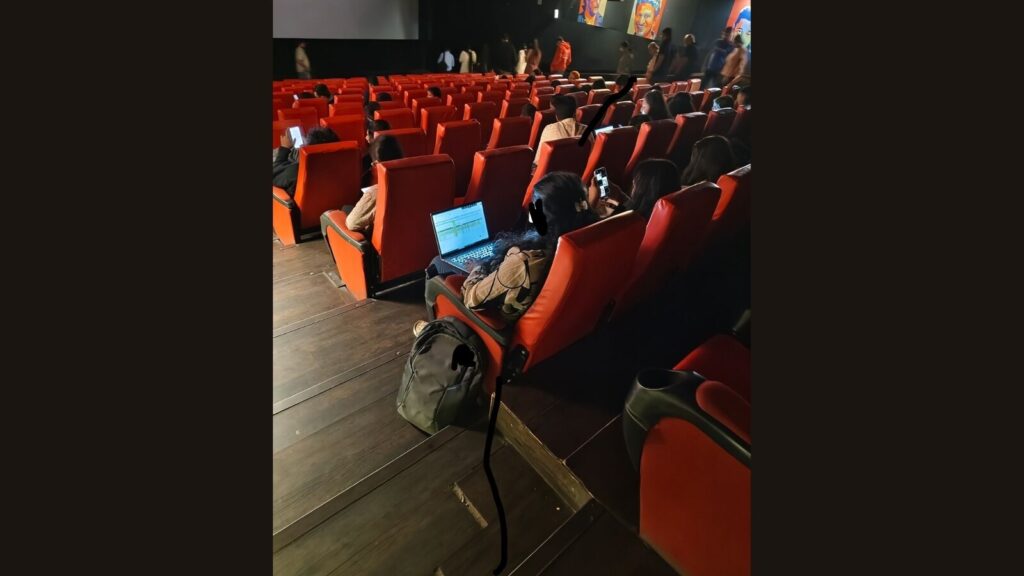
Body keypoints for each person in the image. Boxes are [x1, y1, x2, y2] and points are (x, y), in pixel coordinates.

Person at [414, 171, 599, 335]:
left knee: (437, 263)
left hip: (496, 325)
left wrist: (477, 269)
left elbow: (471, 298)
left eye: (534, 204)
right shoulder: (584, 239)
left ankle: (434, 331)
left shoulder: (524, 262)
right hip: (554, 326)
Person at [345, 135, 405, 233]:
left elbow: (352, 224)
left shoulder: (376, 192)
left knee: (346, 209)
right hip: (409, 239)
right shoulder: (418, 183)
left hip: (381, 246)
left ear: (377, 163)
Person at [587, 158, 680, 221]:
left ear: (644, 190)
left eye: (636, 183)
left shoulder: (629, 221)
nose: (633, 184)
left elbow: (585, 230)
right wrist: (620, 193)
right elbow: (635, 205)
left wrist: (592, 201)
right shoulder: (659, 213)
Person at [273, 127, 340, 196]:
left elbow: (274, 173)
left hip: (290, 205)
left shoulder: (299, 171)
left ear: (309, 150)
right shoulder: (343, 170)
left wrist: (284, 148)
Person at [534, 95, 586, 164]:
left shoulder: (549, 129)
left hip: (553, 173)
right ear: (575, 113)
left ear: (556, 116)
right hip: (579, 172)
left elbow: (538, 161)